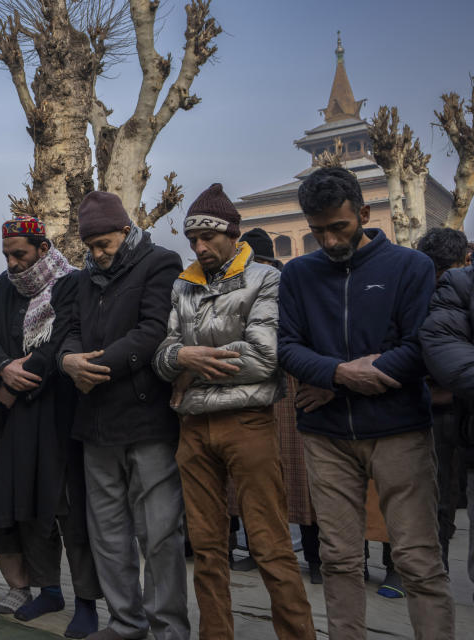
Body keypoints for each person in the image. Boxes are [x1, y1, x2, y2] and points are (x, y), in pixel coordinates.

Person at [279, 167, 454, 638]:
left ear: (365, 213)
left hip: (400, 430)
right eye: (317, 232)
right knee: (338, 558)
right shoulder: (297, 274)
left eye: (339, 227)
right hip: (327, 437)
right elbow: (287, 348)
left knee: (418, 559)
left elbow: (419, 348)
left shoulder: (410, 267)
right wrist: (340, 372)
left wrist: (336, 381)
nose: (329, 241)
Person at [155, 184, 314, 640]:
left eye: (209, 239)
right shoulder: (182, 284)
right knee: (206, 549)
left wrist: (191, 362)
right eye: (193, 241)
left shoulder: (265, 279)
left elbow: (265, 357)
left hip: (248, 424)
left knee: (270, 544)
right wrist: (180, 360)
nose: (200, 248)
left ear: (233, 233)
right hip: (193, 428)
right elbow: (163, 354)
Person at [0, 215, 102, 638]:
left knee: (69, 509)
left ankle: (85, 602)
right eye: (7, 255)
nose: (12, 263)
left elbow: (66, 335)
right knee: (27, 504)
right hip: (22, 416)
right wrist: (3, 368)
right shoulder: (3, 288)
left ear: (43, 250)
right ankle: (48, 589)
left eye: (19, 254)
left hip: (63, 410)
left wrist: (25, 379)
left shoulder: (72, 282)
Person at [60, 192, 188, 640]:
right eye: (90, 247)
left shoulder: (160, 262)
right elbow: (70, 330)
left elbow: (154, 330)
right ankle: (125, 623)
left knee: (159, 534)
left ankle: (167, 628)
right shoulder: (81, 279)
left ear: (125, 230)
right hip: (94, 420)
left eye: (105, 244)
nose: (97, 254)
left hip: (146, 418)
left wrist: (96, 368)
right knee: (108, 534)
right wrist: (69, 361)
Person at [228, 229, 321, 584]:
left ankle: (315, 561)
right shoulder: (237, 286)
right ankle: (255, 550)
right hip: (250, 389)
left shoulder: (290, 287)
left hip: (290, 387)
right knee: (252, 476)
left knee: (300, 478)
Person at [416, 226, 469, 571]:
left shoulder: (426, 289)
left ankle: (440, 567)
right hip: (437, 411)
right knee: (437, 497)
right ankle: (439, 568)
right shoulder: (424, 291)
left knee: (441, 496)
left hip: (451, 407)